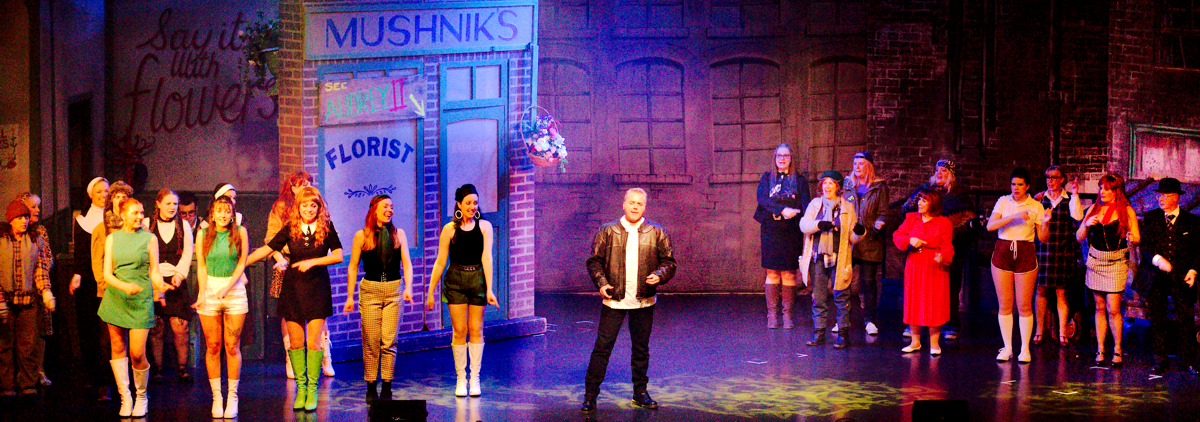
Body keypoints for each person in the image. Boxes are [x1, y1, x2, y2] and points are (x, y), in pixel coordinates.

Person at [579, 188, 676, 414]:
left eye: (640, 204)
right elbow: (594, 261)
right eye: (631, 202)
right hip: (614, 300)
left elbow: (669, 262)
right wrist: (601, 283)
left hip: (643, 300)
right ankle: (590, 396)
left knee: (641, 349)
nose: (635, 206)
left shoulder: (657, 231)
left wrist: (660, 275)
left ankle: (640, 393)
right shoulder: (608, 231)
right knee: (602, 348)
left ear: (644, 207)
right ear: (623, 204)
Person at [246, 186, 343, 411]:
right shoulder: (291, 228)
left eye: (313, 205)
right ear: (298, 207)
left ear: (319, 208)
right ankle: (301, 389)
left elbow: (338, 255)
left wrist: (313, 262)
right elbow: (267, 249)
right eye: (305, 205)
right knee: (296, 343)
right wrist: (242, 263)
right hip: (293, 290)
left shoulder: (326, 227)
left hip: (317, 289)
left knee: (314, 342)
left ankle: (312, 390)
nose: (309, 209)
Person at [99, 198, 173, 417]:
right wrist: (124, 286)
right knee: (118, 346)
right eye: (135, 213)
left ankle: (141, 395)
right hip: (116, 298)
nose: (140, 216)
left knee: (137, 352)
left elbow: (154, 270)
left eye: (142, 212)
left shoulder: (150, 239)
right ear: (123, 215)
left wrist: (159, 283)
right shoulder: (112, 238)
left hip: (140, 300)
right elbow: (106, 274)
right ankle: (125, 396)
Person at [425, 184, 499, 397]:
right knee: (459, 331)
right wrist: (431, 291)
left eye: (475, 203)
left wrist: (490, 289)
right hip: (455, 280)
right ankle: (461, 379)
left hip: (477, 280)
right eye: (468, 203)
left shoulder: (484, 227)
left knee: (476, 329)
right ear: (459, 204)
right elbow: (440, 262)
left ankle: (474, 379)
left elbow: (487, 258)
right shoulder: (449, 229)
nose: (472, 207)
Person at [266, 172, 336, 379]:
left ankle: (324, 356)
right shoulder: (281, 208)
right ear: (291, 188)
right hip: (287, 264)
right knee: (290, 313)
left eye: (307, 185)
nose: (303, 188)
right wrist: (280, 257)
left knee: (318, 313)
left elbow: (330, 236)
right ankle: (292, 358)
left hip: (313, 269)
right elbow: (270, 240)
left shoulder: (317, 206)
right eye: (299, 185)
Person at [898, 159, 978, 340]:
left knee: (948, 288)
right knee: (918, 289)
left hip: (948, 249)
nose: (939, 173)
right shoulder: (925, 191)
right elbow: (907, 210)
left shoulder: (959, 195)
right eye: (937, 170)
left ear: (951, 174)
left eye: (943, 170)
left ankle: (949, 324)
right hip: (921, 249)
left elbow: (967, 221)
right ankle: (915, 325)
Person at [345, 195, 413, 402]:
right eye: (385, 206)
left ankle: (387, 386)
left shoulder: (398, 234)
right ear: (374, 209)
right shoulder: (362, 235)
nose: (390, 210)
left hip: (394, 290)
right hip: (370, 290)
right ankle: (371, 385)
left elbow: (407, 264)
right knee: (372, 341)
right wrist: (349, 296)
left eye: (392, 206)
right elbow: (353, 266)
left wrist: (409, 288)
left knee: (389, 341)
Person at [1132, 178, 1198, 375]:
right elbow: (1145, 247)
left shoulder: (1192, 221)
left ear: (1176, 197)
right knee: (1157, 319)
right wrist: (1157, 259)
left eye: (1166, 195)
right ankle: (1160, 360)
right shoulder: (1151, 218)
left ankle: (1188, 360)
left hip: (1181, 275)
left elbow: (1197, 250)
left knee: (1185, 319)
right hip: (1156, 276)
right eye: (1159, 195)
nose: (1161, 199)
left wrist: (1193, 270)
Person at [193, 196, 250, 418]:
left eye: (227, 211)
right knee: (213, 345)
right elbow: (202, 266)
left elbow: (242, 262)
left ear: (233, 213)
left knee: (231, 344)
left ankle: (232, 396)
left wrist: (227, 288)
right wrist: (202, 293)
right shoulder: (203, 234)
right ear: (213, 213)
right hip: (210, 289)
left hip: (234, 290)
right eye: (219, 210)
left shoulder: (240, 233)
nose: (223, 215)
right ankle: (217, 397)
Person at [1076, 172, 1139, 366]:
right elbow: (1079, 237)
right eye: (1101, 188)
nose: (1102, 192)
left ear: (1116, 191)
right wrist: (1086, 225)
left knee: (1113, 308)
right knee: (1099, 307)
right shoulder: (1094, 209)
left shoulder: (1126, 211)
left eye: (1107, 189)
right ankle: (1101, 348)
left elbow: (1136, 237)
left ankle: (1118, 349)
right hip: (1096, 262)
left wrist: (1131, 237)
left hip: (1116, 263)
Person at [986, 168, 1049, 363]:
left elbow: (1043, 238)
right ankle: (1007, 348)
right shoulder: (1004, 201)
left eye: (1020, 184)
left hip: (1025, 252)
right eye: (1014, 184)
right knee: (1005, 304)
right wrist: (1013, 216)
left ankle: (1024, 349)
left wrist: (1045, 223)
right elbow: (990, 226)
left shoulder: (1036, 206)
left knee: (1023, 304)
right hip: (1003, 250)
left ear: (1027, 186)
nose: (1016, 188)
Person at [800, 170, 863, 349]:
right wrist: (818, 225)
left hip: (839, 256)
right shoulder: (815, 204)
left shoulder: (847, 207)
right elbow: (804, 225)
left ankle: (843, 334)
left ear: (838, 187)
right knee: (818, 297)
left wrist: (859, 233)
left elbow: (852, 237)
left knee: (842, 296)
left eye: (831, 183)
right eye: (825, 183)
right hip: (818, 256)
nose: (827, 186)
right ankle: (819, 332)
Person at [0, 199, 54, 399]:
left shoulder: (34, 239)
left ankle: (28, 383)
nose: (24, 221)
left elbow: (41, 268)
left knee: (28, 344)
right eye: (19, 218)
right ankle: (7, 385)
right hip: (5, 299)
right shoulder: (1, 240)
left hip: (28, 300)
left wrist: (46, 291)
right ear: (10, 220)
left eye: (26, 217)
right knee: (4, 345)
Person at [753, 144, 809, 329]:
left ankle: (787, 316)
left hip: (791, 232)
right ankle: (772, 315)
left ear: (791, 158)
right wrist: (783, 209)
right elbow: (762, 199)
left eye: (786, 155)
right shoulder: (767, 178)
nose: (782, 158)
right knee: (772, 272)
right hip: (771, 230)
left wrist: (800, 217)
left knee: (789, 273)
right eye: (779, 155)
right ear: (774, 158)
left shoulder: (799, 181)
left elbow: (806, 205)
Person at [143, 189, 195, 384]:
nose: (172, 207)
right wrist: (154, 280)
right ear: (158, 204)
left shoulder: (184, 226)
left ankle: (182, 369)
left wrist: (179, 274)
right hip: (154, 280)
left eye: (175, 204)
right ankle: (157, 369)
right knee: (157, 327)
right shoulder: (148, 224)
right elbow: (145, 254)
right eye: (168, 203)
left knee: (179, 326)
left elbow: (187, 253)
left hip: (176, 280)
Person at [893, 189, 954, 355]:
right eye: (919, 199)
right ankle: (915, 342)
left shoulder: (943, 223)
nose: (919, 203)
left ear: (933, 203)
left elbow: (948, 247)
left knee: (934, 303)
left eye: (924, 200)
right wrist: (909, 240)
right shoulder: (912, 219)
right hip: (915, 264)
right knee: (914, 300)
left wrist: (943, 256)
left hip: (934, 265)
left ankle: (934, 343)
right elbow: (897, 235)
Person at [69, 177, 113, 401]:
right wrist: (76, 275)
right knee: (88, 330)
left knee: (108, 333)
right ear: (90, 194)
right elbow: (80, 252)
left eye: (106, 190)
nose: (103, 194)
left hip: (109, 282)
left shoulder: (115, 218)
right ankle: (93, 375)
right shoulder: (82, 220)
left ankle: (107, 381)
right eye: (99, 190)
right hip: (88, 281)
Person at [1033, 166, 1083, 347]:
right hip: (1043, 249)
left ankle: (1062, 332)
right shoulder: (1039, 199)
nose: (1050, 181)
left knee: (1061, 292)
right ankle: (1039, 330)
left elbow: (1078, 216)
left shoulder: (1069, 199)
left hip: (1063, 250)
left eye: (1054, 178)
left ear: (1062, 179)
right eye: (1048, 177)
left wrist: (1076, 194)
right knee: (1040, 290)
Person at [843, 151, 889, 336]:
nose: (857, 167)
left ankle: (869, 320)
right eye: (855, 163)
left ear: (869, 166)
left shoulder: (879, 187)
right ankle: (842, 319)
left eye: (861, 163)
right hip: (850, 240)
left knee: (868, 282)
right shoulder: (847, 185)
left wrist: (880, 222)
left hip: (870, 240)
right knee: (843, 278)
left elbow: (884, 212)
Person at [18, 192, 55, 387]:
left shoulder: (40, 230)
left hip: (39, 288)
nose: (37, 211)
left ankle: (39, 370)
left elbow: (48, 258)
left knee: (39, 332)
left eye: (38, 206)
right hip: (18, 289)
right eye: (33, 207)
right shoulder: (12, 231)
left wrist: (38, 277)